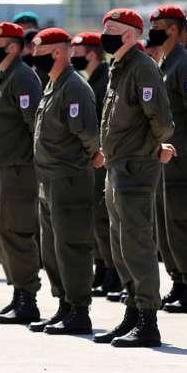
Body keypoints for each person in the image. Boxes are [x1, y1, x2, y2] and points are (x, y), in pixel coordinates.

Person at [94, 8, 174, 348]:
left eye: (111, 29)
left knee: (137, 243)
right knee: (120, 243)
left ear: (129, 34)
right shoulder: (120, 67)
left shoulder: (142, 68)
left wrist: (155, 146)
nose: (105, 35)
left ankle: (147, 320)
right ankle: (131, 310)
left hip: (136, 167)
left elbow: (160, 118)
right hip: (117, 165)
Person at [29, 27, 99, 335]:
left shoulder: (74, 87)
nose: (34, 59)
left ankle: (79, 309)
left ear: (58, 53)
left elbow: (87, 134)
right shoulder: (53, 85)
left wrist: (86, 159)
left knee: (72, 245)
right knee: (53, 247)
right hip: (49, 178)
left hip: (69, 178)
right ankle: (64, 305)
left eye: (40, 53)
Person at [149, 5, 187, 314]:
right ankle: (179, 280)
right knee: (166, 221)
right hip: (165, 156)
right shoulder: (164, 63)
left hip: (183, 154)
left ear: (173, 28)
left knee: (183, 220)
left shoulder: (186, 64)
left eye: (159, 25)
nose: (154, 30)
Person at [0, 22, 43, 324]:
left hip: (18, 169)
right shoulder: (3, 76)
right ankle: (18, 291)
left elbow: (35, 125)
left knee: (17, 233)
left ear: (13, 47)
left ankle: (27, 298)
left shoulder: (22, 78)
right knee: (2, 233)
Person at [72, 32, 120, 298]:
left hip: (105, 158)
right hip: (93, 159)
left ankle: (113, 271)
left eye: (77, 53)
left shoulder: (106, 78)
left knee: (104, 218)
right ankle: (102, 267)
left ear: (91, 54)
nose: (73, 58)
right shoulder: (89, 79)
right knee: (95, 218)